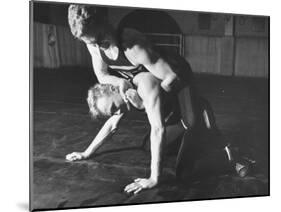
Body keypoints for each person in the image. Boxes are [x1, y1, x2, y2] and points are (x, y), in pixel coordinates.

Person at [66, 72, 250, 194]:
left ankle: (230, 156)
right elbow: (111, 126)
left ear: (114, 88)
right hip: (177, 121)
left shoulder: (143, 84)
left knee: (185, 173)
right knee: (148, 146)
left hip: (195, 117)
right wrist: (86, 153)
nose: (117, 112)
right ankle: (201, 146)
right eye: (111, 111)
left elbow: (158, 129)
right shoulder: (123, 97)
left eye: (114, 106)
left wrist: (154, 178)